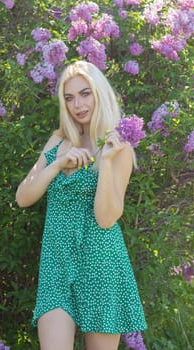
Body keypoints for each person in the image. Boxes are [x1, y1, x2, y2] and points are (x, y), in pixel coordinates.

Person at [16, 60, 147, 350]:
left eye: (85, 93)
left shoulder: (118, 148)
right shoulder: (59, 140)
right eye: (69, 97)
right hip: (57, 265)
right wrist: (56, 166)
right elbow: (23, 197)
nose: (78, 104)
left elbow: (105, 218)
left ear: (99, 93)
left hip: (101, 264)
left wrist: (108, 162)